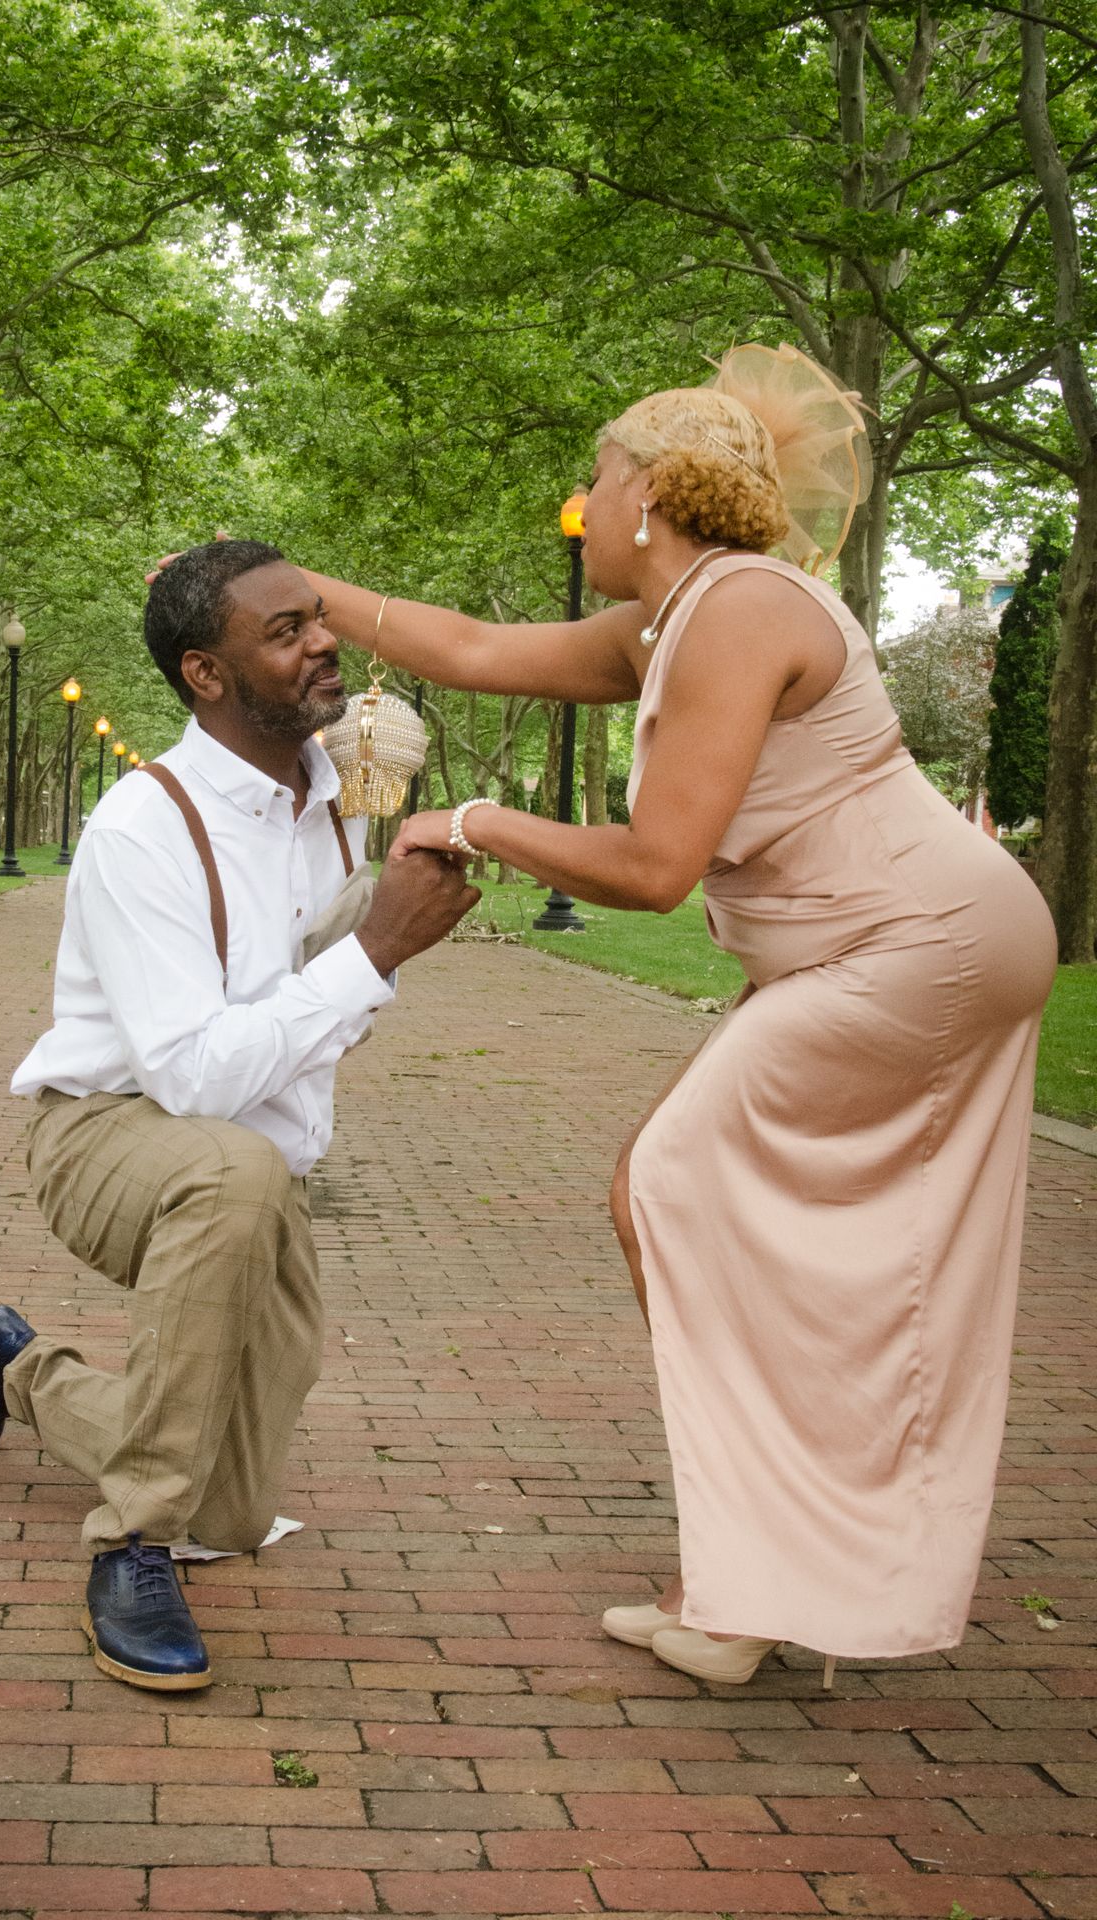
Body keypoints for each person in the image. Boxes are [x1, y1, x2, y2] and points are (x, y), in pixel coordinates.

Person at [295, 343, 1058, 1687]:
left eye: (594, 478)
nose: (581, 505)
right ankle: (756, 1578)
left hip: (916, 943)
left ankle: (746, 1586)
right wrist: (287, 583)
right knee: (707, 1206)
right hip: (886, 945)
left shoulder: (742, 609)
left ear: (648, 490)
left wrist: (475, 819)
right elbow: (465, 647)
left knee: (671, 1183)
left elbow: (655, 867)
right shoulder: (676, 616)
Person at [0, 539, 478, 1693]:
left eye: (319, 617)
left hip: (258, 1166)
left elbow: (310, 1011)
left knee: (230, 1509)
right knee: (232, 1173)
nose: (325, 642)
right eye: (285, 632)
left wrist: (388, 918)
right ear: (205, 674)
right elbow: (190, 1076)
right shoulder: (143, 826)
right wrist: (376, 951)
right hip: (107, 1134)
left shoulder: (332, 806)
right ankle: (130, 1549)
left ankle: (18, 1365)